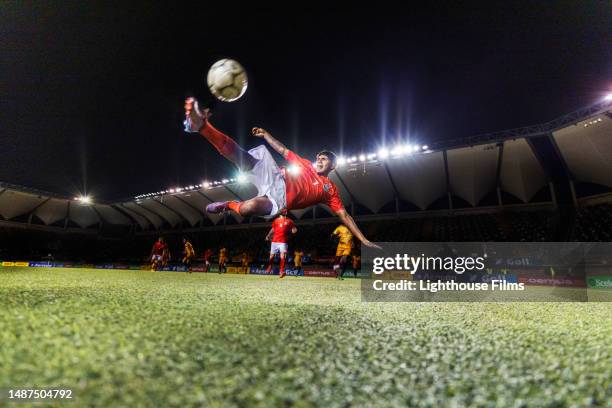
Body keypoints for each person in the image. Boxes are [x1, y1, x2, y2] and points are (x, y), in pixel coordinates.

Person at [183, 98, 380, 249]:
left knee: (247, 208)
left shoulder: (330, 190)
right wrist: (266, 134)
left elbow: (344, 216)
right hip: (276, 176)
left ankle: (228, 205)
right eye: (319, 157)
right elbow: (283, 150)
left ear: (332, 166)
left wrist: (363, 239)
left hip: (279, 200)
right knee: (242, 158)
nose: (319, 160)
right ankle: (202, 126)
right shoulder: (305, 164)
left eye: (324, 159)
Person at [265, 209, 297, 278]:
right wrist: (268, 235)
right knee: (271, 256)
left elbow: (294, 229)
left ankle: (281, 271)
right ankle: (270, 266)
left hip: (283, 241)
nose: (285, 212)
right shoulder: (276, 220)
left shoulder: (290, 221)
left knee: (283, 256)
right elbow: (273, 229)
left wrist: (293, 231)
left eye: (286, 212)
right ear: (281, 213)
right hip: (274, 241)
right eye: (284, 212)